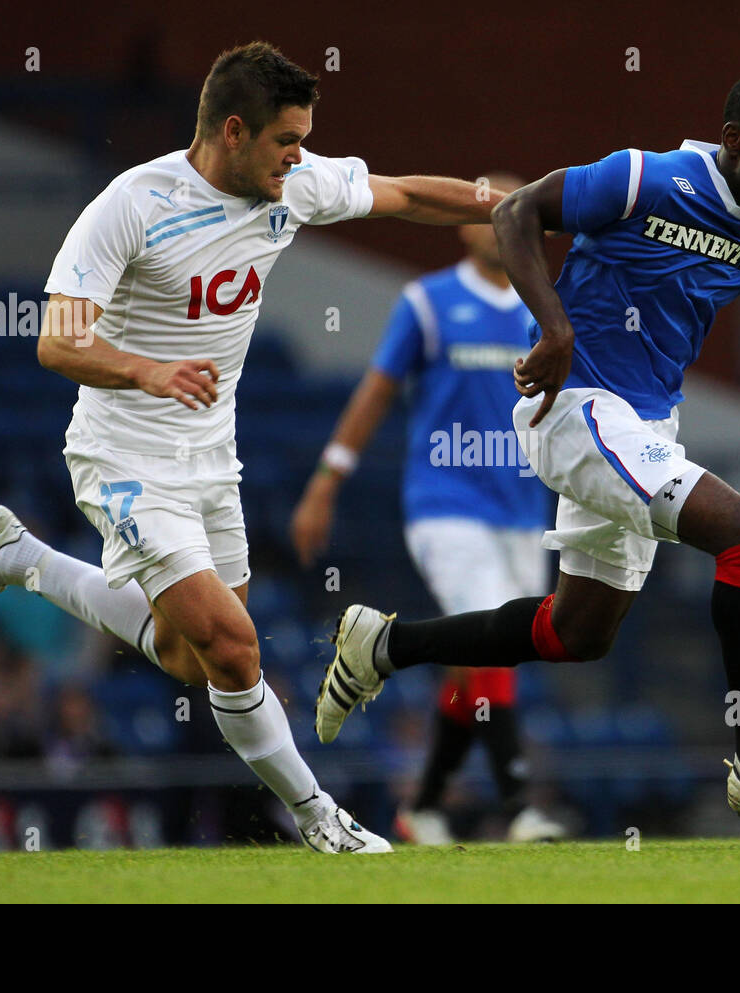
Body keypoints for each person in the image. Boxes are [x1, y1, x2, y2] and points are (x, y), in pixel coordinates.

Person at [314, 73, 740, 825]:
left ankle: (384, 644)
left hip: (647, 425)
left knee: (579, 633)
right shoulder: (647, 177)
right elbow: (514, 211)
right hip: (576, 409)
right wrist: (555, 327)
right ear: (734, 142)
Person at [0, 41, 508, 854]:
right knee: (237, 652)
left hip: (212, 458)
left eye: (304, 141)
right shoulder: (131, 204)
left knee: (189, 658)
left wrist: (517, 206)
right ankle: (318, 816)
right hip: (124, 456)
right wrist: (147, 370)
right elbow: (55, 343)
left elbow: (406, 194)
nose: (299, 157)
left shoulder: (294, 185)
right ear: (233, 131)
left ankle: (20, 558)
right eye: (286, 141)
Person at [290, 174, 564, 844]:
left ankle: (427, 805)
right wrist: (328, 479)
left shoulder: (544, 311)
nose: (496, 214)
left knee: (480, 654)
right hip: (446, 505)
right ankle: (520, 804)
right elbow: (376, 391)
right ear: (464, 222)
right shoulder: (428, 302)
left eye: (511, 204)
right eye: (484, 204)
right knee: (493, 642)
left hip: (523, 511)